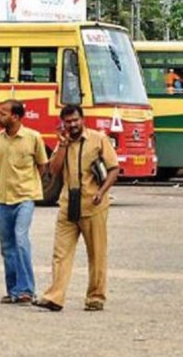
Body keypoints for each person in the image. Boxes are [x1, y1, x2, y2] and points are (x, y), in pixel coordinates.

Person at [33, 105, 119, 312]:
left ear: (82, 119)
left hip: (93, 204)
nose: (72, 125)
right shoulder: (64, 142)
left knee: (96, 253)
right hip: (67, 204)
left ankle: (95, 297)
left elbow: (114, 168)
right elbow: (53, 170)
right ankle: (55, 297)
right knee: (60, 253)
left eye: (75, 120)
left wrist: (102, 191)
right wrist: (62, 145)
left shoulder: (98, 139)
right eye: (68, 122)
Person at [0, 100, 48, 305]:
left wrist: (31, 186)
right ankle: (13, 290)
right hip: (2, 200)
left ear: (15, 117)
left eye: (3, 113)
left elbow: (43, 166)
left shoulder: (33, 138)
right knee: (7, 247)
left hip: (25, 197)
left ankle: (26, 289)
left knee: (21, 240)